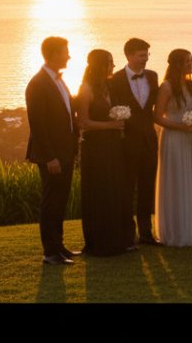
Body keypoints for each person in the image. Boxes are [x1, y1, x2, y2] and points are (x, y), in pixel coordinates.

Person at [25, 36, 80, 265]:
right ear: (54, 54)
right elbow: (38, 125)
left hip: (65, 151)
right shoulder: (37, 84)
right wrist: (50, 157)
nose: (69, 56)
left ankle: (59, 246)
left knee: (61, 200)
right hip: (52, 155)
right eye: (66, 51)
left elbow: (68, 111)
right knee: (51, 202)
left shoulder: (59, 81)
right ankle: (50, 252)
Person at [74, 48, 132, 257]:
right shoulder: (86, 89)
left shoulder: (108, 86)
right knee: (99, 192)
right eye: (109, 62)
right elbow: (83, 122)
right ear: (100, 65)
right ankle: (100, 242)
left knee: (114, 191)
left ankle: (118, 239)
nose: (113, 66)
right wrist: (112, 125)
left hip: (113, 146)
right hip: (95, 148)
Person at [154, 49, 192, 247]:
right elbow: (158, 116)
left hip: (190, 138)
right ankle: (176, 231)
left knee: (191, 178)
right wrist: (181, 127)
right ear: (178, 64)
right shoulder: (167, 87)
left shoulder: (189, 85)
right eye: (188, 61)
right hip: (174, 138)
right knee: (177, 180)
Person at [109, 37, 160, 246]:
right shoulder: (115, 79)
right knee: (127, 189)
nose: (145, 59)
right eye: (141, 55)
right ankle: (127, 234)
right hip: (126, 143)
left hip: (148, 141)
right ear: (129, 56)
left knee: (147, 189)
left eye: (147, 55)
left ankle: (146, 234)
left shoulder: (153, 76)